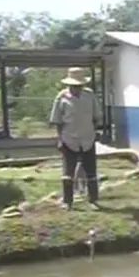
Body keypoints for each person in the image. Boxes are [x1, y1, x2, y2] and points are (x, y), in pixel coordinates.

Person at [49, 67, 101, 211]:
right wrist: (60, 139)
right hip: (69, 138)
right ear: (69, 84)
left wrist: (94, 132)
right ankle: (68, 202)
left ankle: (93, 200)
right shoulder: (61, 97)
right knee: (68, 172)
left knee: (91, 172)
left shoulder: (89, 96)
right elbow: (58, 121)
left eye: (79, 85)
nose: (77, 88)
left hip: (87, 138)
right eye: (74, 86)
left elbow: (96, 117)